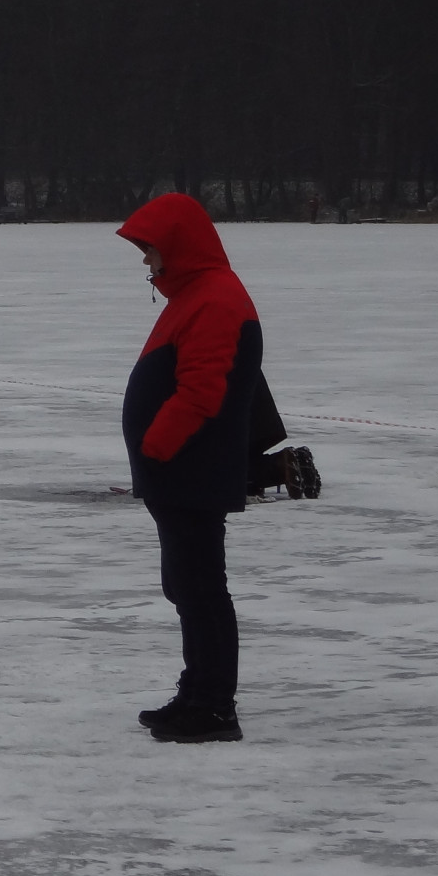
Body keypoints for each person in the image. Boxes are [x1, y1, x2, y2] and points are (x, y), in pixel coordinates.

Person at [117, 193, 263, 743]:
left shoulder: (215, 299)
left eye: (151, 248)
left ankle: (215, 708)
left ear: (177, 246)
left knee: (202, 589)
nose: (146, 260)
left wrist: (155, 446)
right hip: (179, 473)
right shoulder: (197, 295)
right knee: (185, 586)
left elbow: (202, 390)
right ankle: (196, 690)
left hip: (190, 470)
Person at [244, 375, 321, 499]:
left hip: (236, 418)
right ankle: (285, 464)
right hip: (259, 414)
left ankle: (278, 466)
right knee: (242, 459)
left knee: (222, 471)